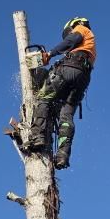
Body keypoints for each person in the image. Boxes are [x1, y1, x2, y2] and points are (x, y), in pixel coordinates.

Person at [27, 17, 96, 169]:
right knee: (66, 115)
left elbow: (72, 39)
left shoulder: (82, 29)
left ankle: (37, 136)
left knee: (43, 97)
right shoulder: (90, 47)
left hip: (69, 69)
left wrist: (50, 54)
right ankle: (62, 156)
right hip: (83, 78)